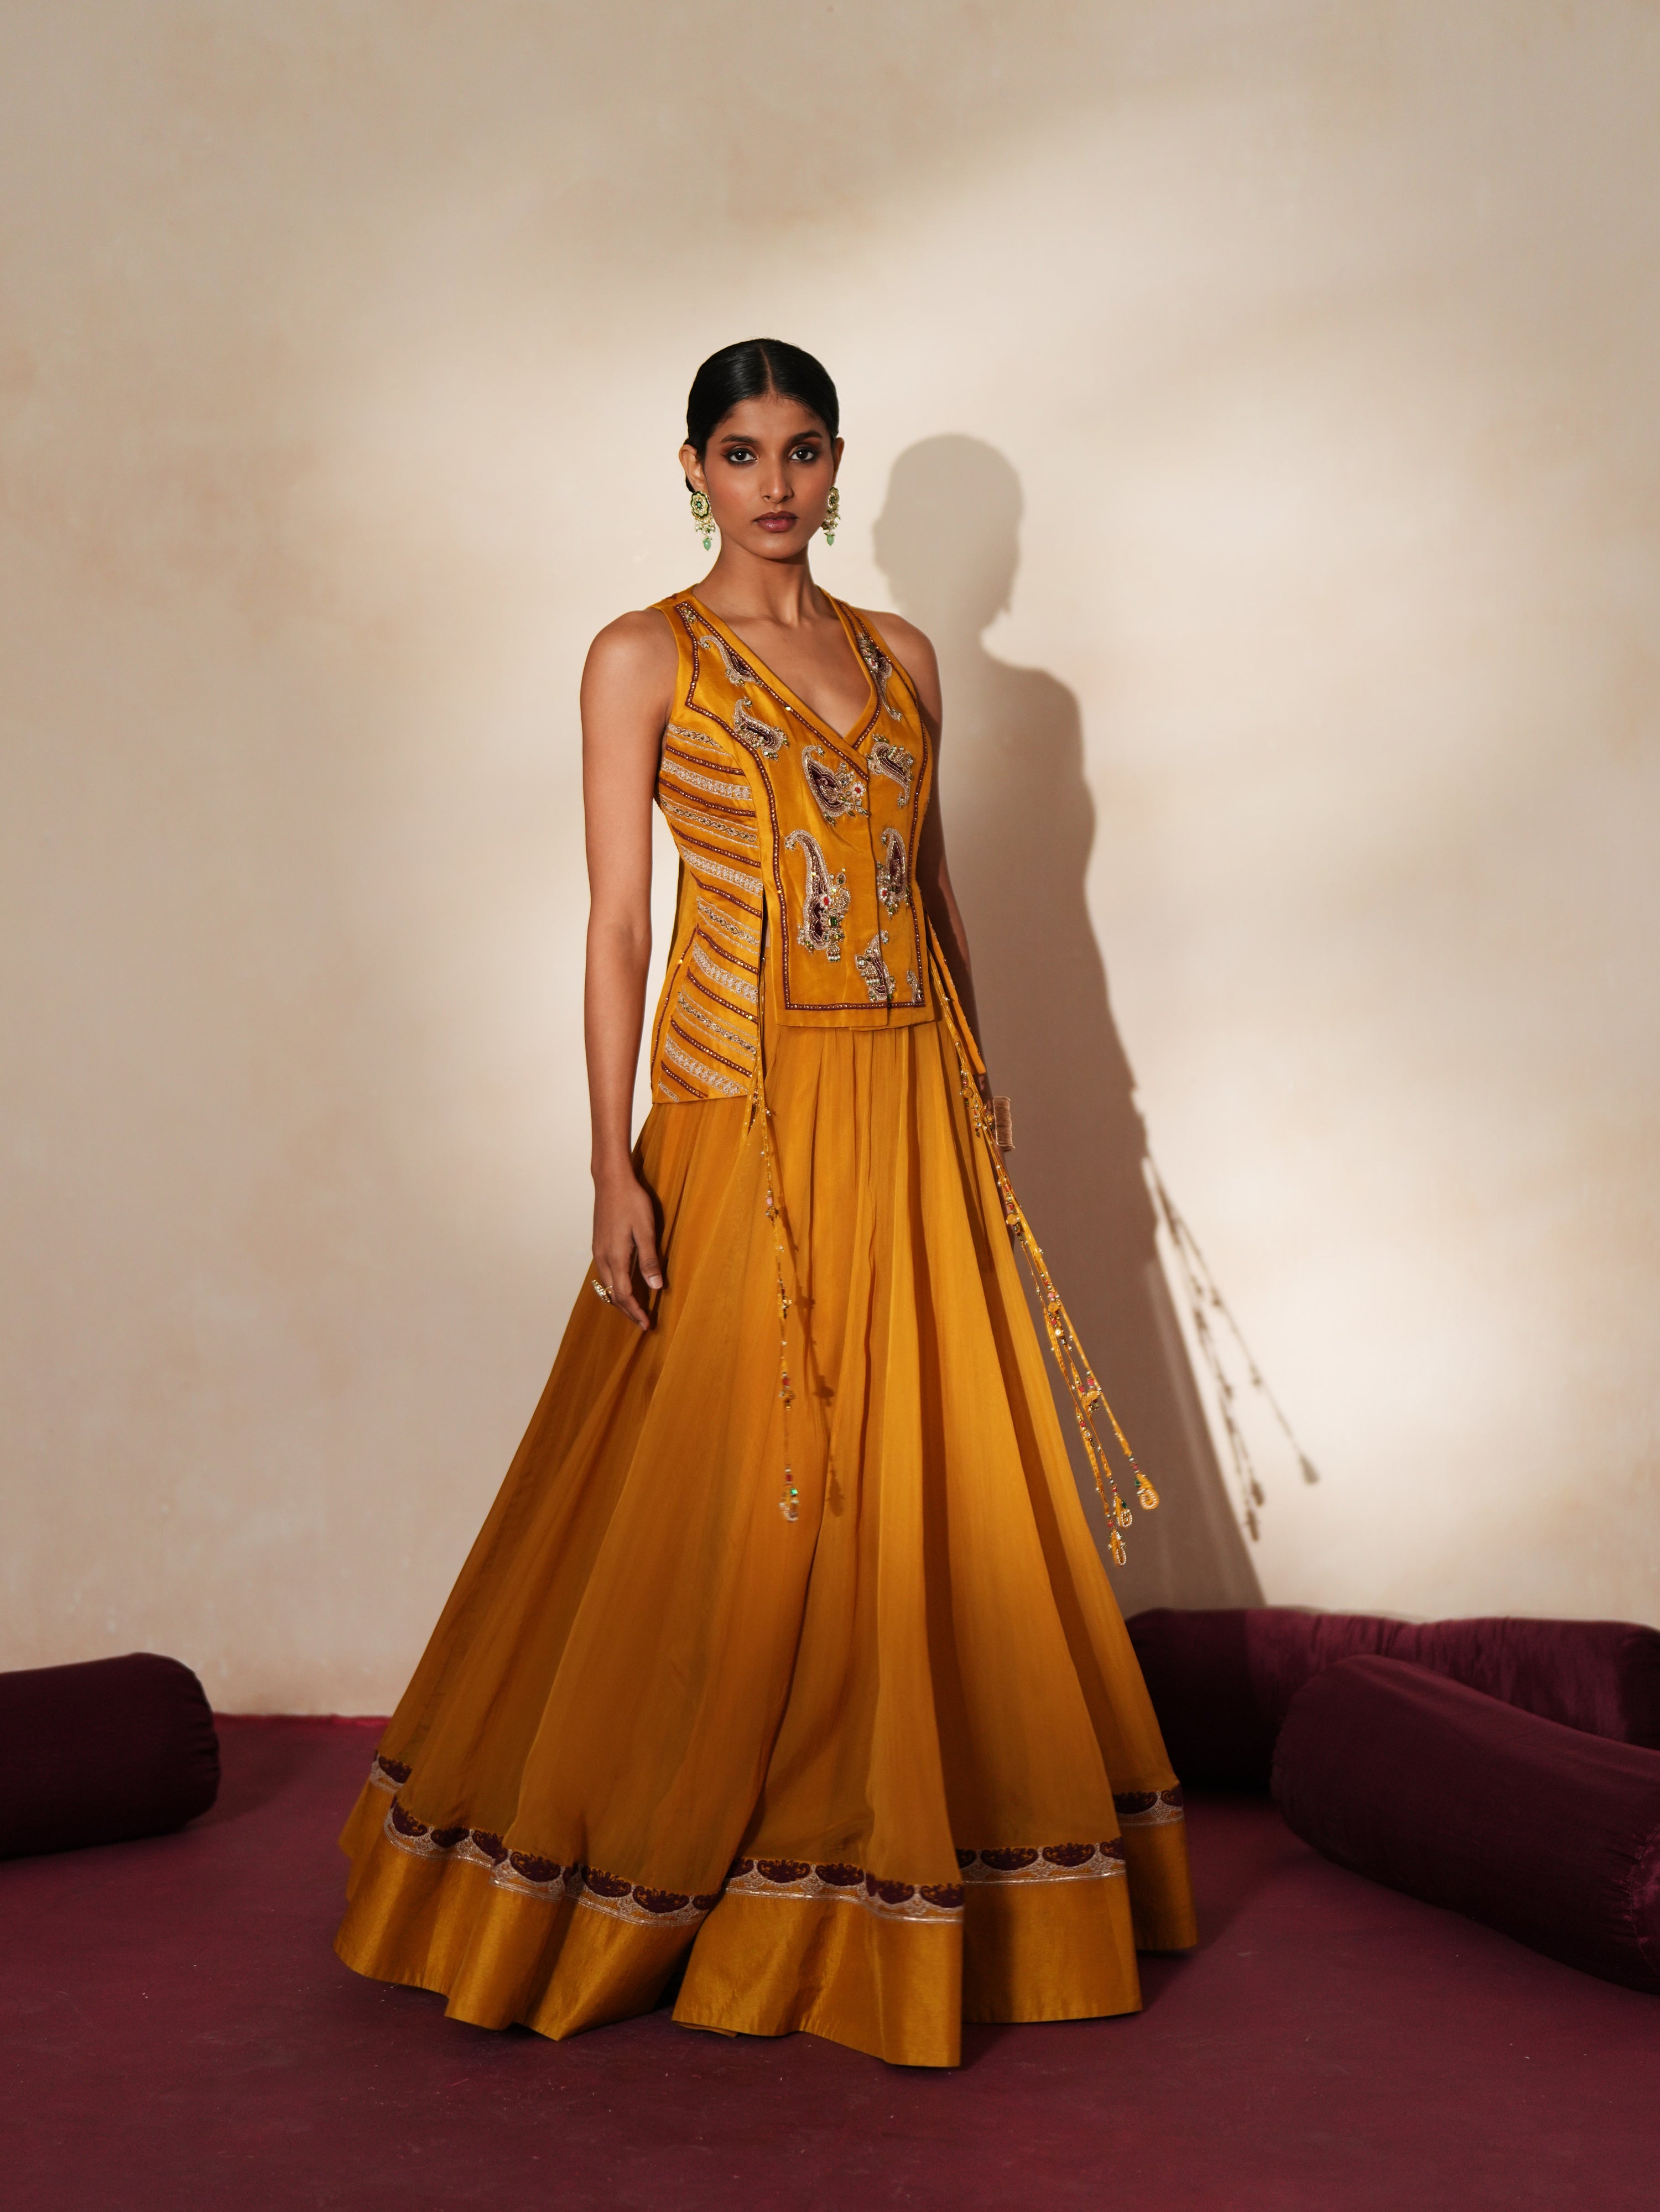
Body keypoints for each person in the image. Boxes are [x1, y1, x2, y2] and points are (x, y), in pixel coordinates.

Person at [334, 340, 1196, 2069]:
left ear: (835, 466)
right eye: (742, 454)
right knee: (731, 1474)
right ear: (691, 469)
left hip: (909, 1099)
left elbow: (929, 882)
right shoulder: (642, 654)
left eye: (803, 452)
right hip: (742, 1111)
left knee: (924, 1464)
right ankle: (666, 1857)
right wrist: (609, 1165)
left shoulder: (902, 655)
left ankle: (896, 1852)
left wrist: (980, 1084)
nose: (777, 485)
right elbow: (612, 928)